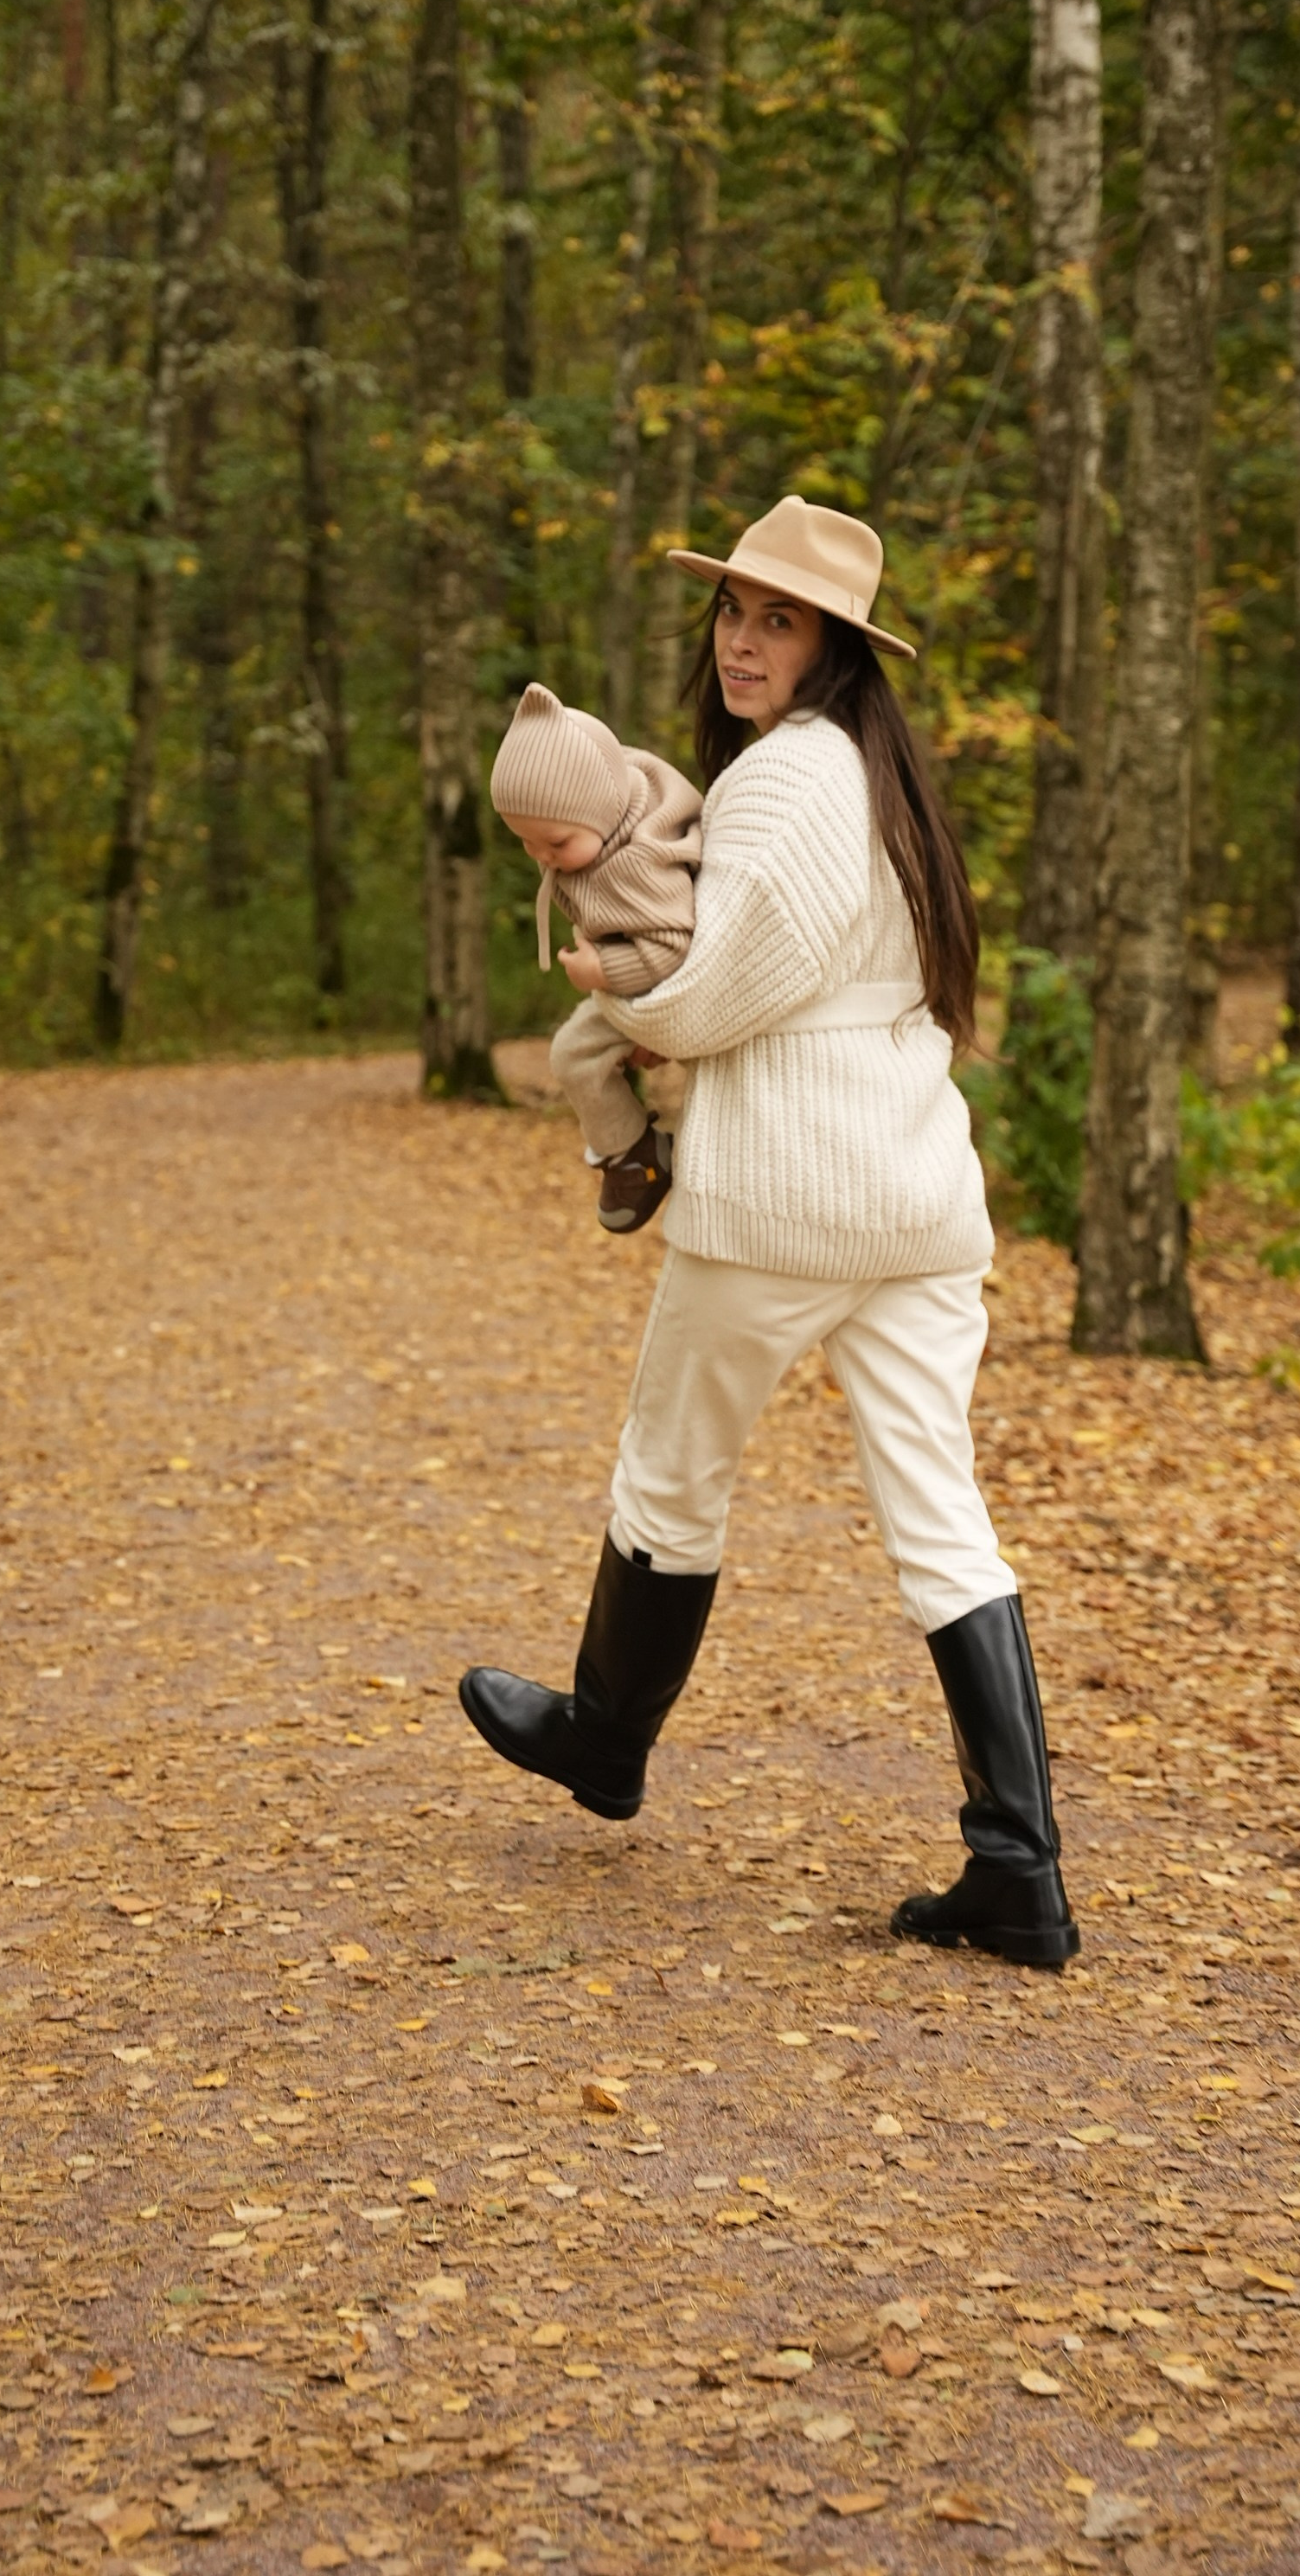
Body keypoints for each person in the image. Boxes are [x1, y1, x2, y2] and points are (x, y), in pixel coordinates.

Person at [460, 495, 1079, 1969]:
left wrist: (606, 993)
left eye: (776, 618)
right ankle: (1020, 1864)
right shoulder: (874, 777)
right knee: (940, 1516)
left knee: (671, 1469)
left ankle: (606, 1737)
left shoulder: (788, 778)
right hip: (915, 1196)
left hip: (789, 1196)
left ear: (837, 648)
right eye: (732, 610)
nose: (742, 638)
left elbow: (715, 995)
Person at [490, 682, 703, 1234]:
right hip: (643, 987)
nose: (543, 857)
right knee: (577, 1056)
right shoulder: (607, 815)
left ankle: (636, 1155)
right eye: (526, 842)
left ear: (602, 811)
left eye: (555, 843)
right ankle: (633, 1148)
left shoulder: (637, 864)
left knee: (573, 1056)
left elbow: (672, 948)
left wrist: (603, 972)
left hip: (668, 985)